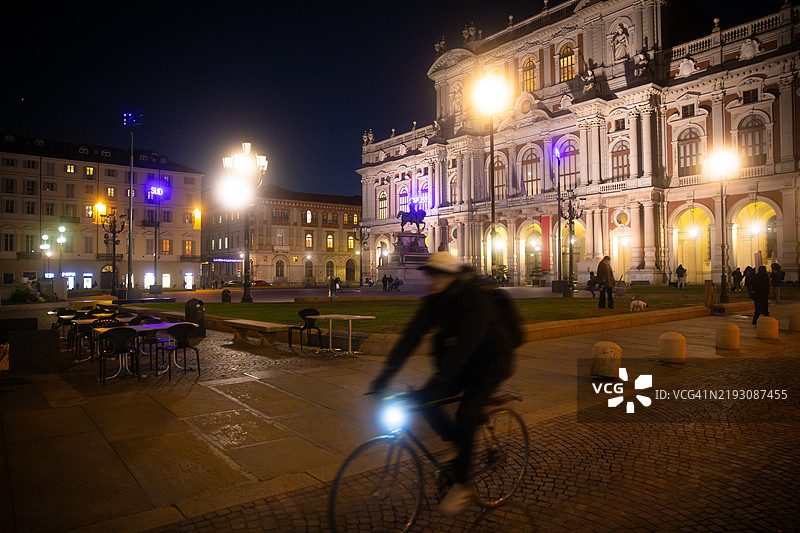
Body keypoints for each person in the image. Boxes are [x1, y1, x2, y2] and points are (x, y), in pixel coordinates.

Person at [368, 252, 519, 516]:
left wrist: (446, 373)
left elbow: (471, 336)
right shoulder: (435, 301)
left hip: (493, 360)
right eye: (430, 275)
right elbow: (411, 336)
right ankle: (456, 444)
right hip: (461, 363)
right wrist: (385, 375)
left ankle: (462, 486)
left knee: (467, 413)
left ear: (451, 277)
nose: (431, 281)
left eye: (437, 276)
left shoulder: (475, 296)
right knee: (421, 398)